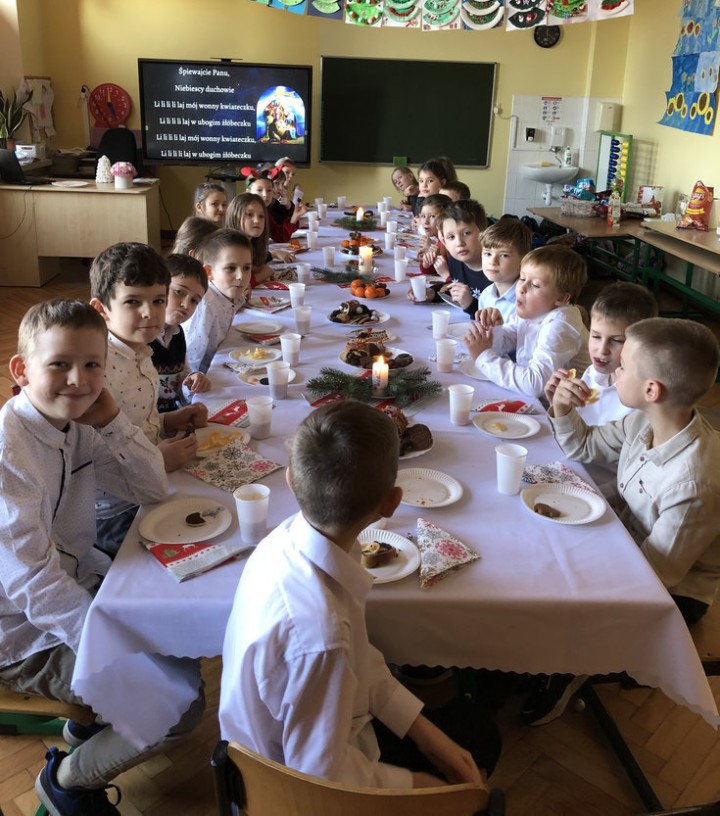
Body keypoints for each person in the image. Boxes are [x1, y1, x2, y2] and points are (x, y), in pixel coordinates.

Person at [219, 401, 492, 789]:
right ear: (391, 503)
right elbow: (322, 780)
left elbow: (359, 658)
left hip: (301, 744)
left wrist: (428, 737)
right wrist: (418, 788)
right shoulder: (323, 637)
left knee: (466, 735)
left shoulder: (287, 538)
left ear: (291, 481)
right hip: (285, 788)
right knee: (484, 743)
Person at [0, 299, 204, 816]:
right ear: (21, 370)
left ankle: (93, 722)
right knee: (178, 703)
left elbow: (150, 487)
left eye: (92, 364)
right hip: (22, 632)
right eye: (59, 364)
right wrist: (109, 641)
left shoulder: (77, 424)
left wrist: (113, 418)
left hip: (82, 584)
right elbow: (32, 585)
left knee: (183, 640)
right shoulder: (9, 452)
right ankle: (66, 781)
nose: (78, 379)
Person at [525, 318, 720, 726]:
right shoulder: (645, 420)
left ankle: (570, 667)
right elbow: (584, 445)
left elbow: (653, 580)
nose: (614, 369)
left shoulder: (695, 482)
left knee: (558, 588)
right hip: (626, 542)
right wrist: (562, 408)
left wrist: (584, 571)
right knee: (538, 547)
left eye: (624, 365)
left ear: (652, 390)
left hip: (671, 591)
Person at [90, 243, 207, 555]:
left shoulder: (142, 350)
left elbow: (135, 422)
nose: (150, 313)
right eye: (133, 301)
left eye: (157, 300)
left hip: (150, 481)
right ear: (102, 310)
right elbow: (94, 456)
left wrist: (168, 421)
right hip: (116, 512)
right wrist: (156, 460)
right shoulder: (97, 370)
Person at [465, 244, 590, 397]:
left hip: (569, 407)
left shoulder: (561, 325)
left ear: (561, 298)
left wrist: (484, 358)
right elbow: (501, 347)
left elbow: (535, 384)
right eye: (522, 278)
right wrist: (496, 328)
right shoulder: (533, 309)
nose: (521, 288)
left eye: (535, 285)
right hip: (538, 399)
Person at [544, 282, 659, 426]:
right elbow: (577, 428)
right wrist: (559, 406)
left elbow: (590, 439)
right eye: (596, 336)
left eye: (617, 340)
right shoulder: (593, 374)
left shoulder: (638, 400)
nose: (602, 349)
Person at [183, 227, 253, 375]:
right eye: (231, 268)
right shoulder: (206, 305)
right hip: (206, 376)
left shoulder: (228, 294)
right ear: (209, 272)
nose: (241, 276)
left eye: (246, 268)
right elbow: (192, 357)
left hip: (221, 362)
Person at [150, 253, 212, 413]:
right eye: (179, 292)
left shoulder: (177, 334)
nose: (186, 305)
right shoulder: (142, 338)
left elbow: (180, 375)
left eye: (194, 301)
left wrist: (192, 378)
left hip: (173, 416)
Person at [416, 199, 489, 316]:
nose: (459, 243)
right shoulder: (455, 260)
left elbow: (501, 316)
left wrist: (470, 304)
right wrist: (432, 292)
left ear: (484, 233)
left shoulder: (494, 269)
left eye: (467, 233)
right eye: (451, 237)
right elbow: (455, 288)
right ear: (444, 241)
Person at [475, 217, 533, 327]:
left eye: (504, 255)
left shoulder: (526, 300)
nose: (493, 261)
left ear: (523, 260)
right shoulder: (486, 295)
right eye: (488, 254)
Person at [225, 192, 277, 285]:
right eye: (249, 214)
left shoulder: (252, 244)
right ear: (235, 216)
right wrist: (264, 273)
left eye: (261, 216)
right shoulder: (230, 249)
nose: (257, 220)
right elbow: (236, 283)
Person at [246, 169, 306, 243]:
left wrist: (295, 216)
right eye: (259, 190)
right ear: (248, 192)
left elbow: (280, 236)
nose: (265, 194)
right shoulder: (244, 210)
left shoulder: (264, 211)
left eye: (269, 190)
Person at [416, 194, 450, 274]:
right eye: (423, 216)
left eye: (432, 216)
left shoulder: (448, 241)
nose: (426, 222)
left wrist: (438, 254)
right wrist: (427, 260)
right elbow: (428, 271)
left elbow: (450, 270)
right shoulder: (439, 239)